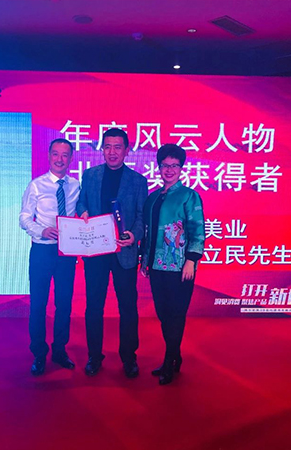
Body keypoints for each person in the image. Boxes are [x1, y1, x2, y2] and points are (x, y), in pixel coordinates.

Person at [77, 128, 148, 378]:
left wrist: (134, 236)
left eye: (118, 147)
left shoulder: (138, 181)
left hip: (124, 252)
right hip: (96, 251)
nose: (112, 152)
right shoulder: (91, 175)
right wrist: (83, 212)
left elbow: (141, 216)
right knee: (93, 306)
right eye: (107, 146)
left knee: (127, 306)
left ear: (127, 150)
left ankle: (129, 357)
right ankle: (94, 356)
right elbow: (81, 201)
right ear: (102, 149)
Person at [140, 144, 205, 385]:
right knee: (163, 314)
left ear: (181, 168)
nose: (169, 170)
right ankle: (175, 356)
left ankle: (169, 361)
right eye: (165, 165)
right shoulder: (153, 198)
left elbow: (197, 229)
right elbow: (148, 233)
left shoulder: (189, 196)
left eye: (174, 165)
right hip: (156, 266)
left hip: (179, 268)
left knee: (176, 314)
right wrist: (144, 260)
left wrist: (191, 260)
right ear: (158, 167)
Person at [19, 138, 80, 376]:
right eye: (55, 154)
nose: (60, 159)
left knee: (64, 303)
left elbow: (81, 213)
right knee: (38, 303)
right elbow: (24, 218)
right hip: (42, 250)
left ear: (71, 158)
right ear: (49, 156)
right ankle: (38, 353)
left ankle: (59, 350)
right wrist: (41, 230)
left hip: (67, 252)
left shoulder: (75, 185)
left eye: (65, 155)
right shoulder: (36, 185)